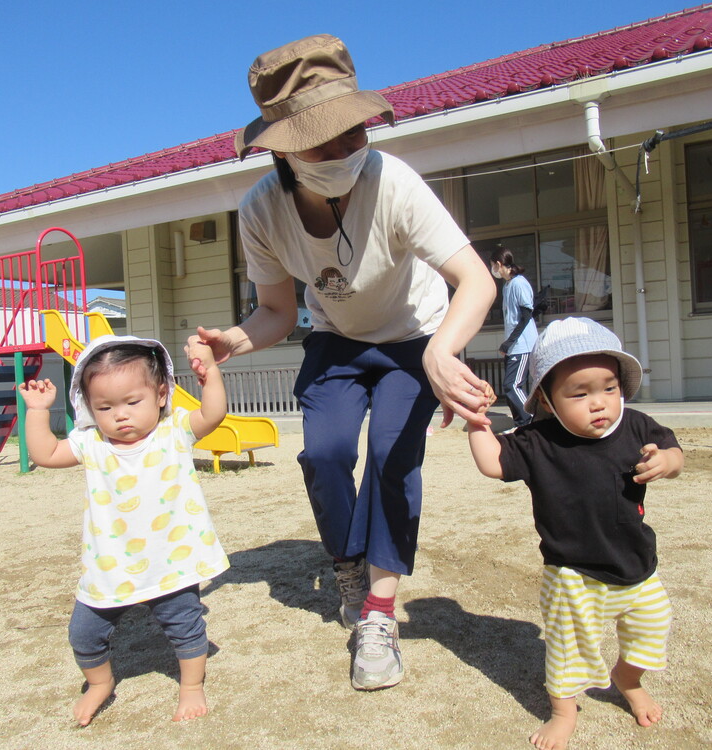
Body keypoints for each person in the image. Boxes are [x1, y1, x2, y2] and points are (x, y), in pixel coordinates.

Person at [189, 33, 495, 691]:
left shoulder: (395, 183)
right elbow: (275, 310)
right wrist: (233, 343)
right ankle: (349, 564)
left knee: (392, 456)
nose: (346, 152)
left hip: (415, 337)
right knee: (324, 454)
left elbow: (477, 280)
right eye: (323, 142)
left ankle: (378, 617)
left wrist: (442, 351)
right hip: (337, 342)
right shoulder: (261, 212)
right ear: (280, 147)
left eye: (352, 132)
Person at [466, 317, 683, 749]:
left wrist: (668, 462)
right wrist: (476, 422)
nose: (599, 403)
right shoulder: (537, 441)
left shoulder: (637, 426)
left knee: (654, 624)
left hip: (636, 565)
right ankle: (564, 712)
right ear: (546, 399)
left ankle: (627, 678)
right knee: (568, 647)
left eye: (609, 388)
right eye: (579, 393)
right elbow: (493, 463)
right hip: (573, 573)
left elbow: (674, 450)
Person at [17, 335, 230, 726]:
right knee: (83, 634)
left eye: (133, 402)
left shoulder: (174, 433)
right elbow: (45, 454)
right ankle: (99, 682)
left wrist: (210, 373)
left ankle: (191, 686)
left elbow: (213, 414)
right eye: (105, 406)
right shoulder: (92, 444)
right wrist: (37, 411)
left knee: (185, 627)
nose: (121, 415)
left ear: (161, 394)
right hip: (110, 565)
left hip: (171, 561)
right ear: (88, 408)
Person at [490, 247, 538, 431]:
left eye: (493, 265)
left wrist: (510, 342)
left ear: (499, 264)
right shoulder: (508, 284)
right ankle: (520, 424)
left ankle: (530, 419)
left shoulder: (519, 283)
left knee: (512, 385)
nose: (493, 269)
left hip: (523, 344)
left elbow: (526, 315)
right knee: (510, 386)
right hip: (514, 345)